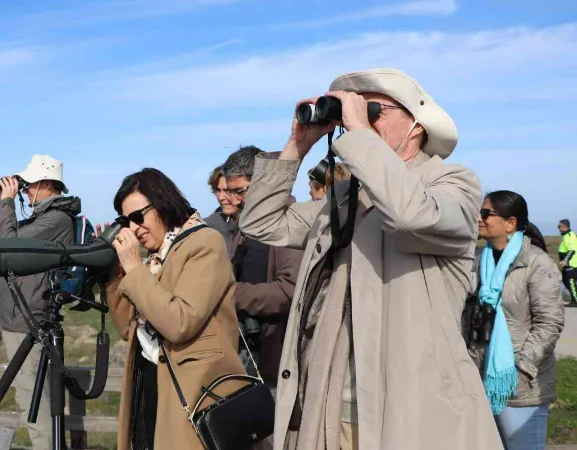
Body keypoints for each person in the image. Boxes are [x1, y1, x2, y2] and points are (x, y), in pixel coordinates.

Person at [238, 68, 503, 449]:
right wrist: (297, 146)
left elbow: (412, 214)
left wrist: (361, 134)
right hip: (332, 408)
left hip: (413, 410)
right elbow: (264, 223)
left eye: (372, 109)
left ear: (416, 124)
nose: (354, 119)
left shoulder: (453, 183)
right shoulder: (345, 200)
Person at [101, 168, 248, 450]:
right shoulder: (156, 259)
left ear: (163, 204)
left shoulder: (204, 243)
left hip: (192, 392)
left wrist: (134, 267)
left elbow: (180, 323)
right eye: (125, 221)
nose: (133, 228)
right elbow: (127, 329)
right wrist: (114, 274)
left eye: (137, 217)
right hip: (149, 381)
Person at [0, 155, 79, 450]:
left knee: (34, 401)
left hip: (28, 321)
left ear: (45, 182)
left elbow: (8, 247)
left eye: (29, 185)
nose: (25, 190)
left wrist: (5, 203)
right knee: (35, 398)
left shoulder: (56, 219)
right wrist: (2, 202)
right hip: (22, 318)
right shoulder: (44, 217)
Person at [223, 145, 303, 450]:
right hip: (248, 357)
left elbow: (289, 291)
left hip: (277, 362)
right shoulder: (244, 229)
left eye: (238, 191)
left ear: (261, 184)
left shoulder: (291, 224)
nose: (231, 199)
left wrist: (231, 295)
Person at [472, 190, 564, 450]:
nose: (479, 219)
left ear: (510, 223)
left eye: (485, 213)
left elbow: (549, 323)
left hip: (521, 386)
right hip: (483, 381)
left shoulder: (537, 263)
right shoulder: (480, 261)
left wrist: (521, 369)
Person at [204, 165, 239, 256]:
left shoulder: (265, 225)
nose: (220, 197)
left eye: (227, 191)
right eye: (218, 190)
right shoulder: (207, 228)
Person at [557, 219, 577, 307]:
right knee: (565, 280)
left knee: (570, 282)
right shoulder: (565, 236)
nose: (558, 228)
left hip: (571, 264)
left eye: (559, 226)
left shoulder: (570, 236)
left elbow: (571, 250)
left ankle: (575, 301)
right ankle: (574, 299)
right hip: (567, 265)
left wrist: (565, 261)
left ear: (565, 227)